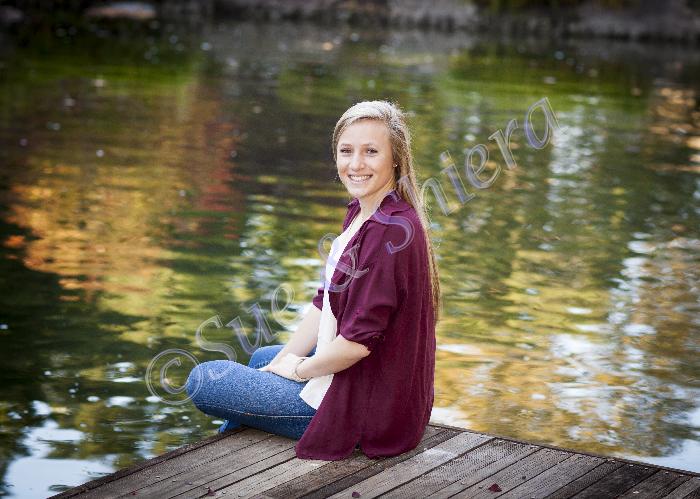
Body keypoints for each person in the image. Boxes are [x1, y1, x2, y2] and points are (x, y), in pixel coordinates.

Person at [185, 99, 441, 461]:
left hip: (366, 413)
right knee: (263, 358)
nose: (356, 164)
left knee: (204, 379)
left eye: (371, 151)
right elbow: (326, 302)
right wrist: (282, 363)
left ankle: (236, 452)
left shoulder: (387, 231)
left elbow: (357, 345)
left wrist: (298, 370)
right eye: (346, 151)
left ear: (395, 158)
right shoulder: (368, 211)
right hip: (377, 388)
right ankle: (246, 426)